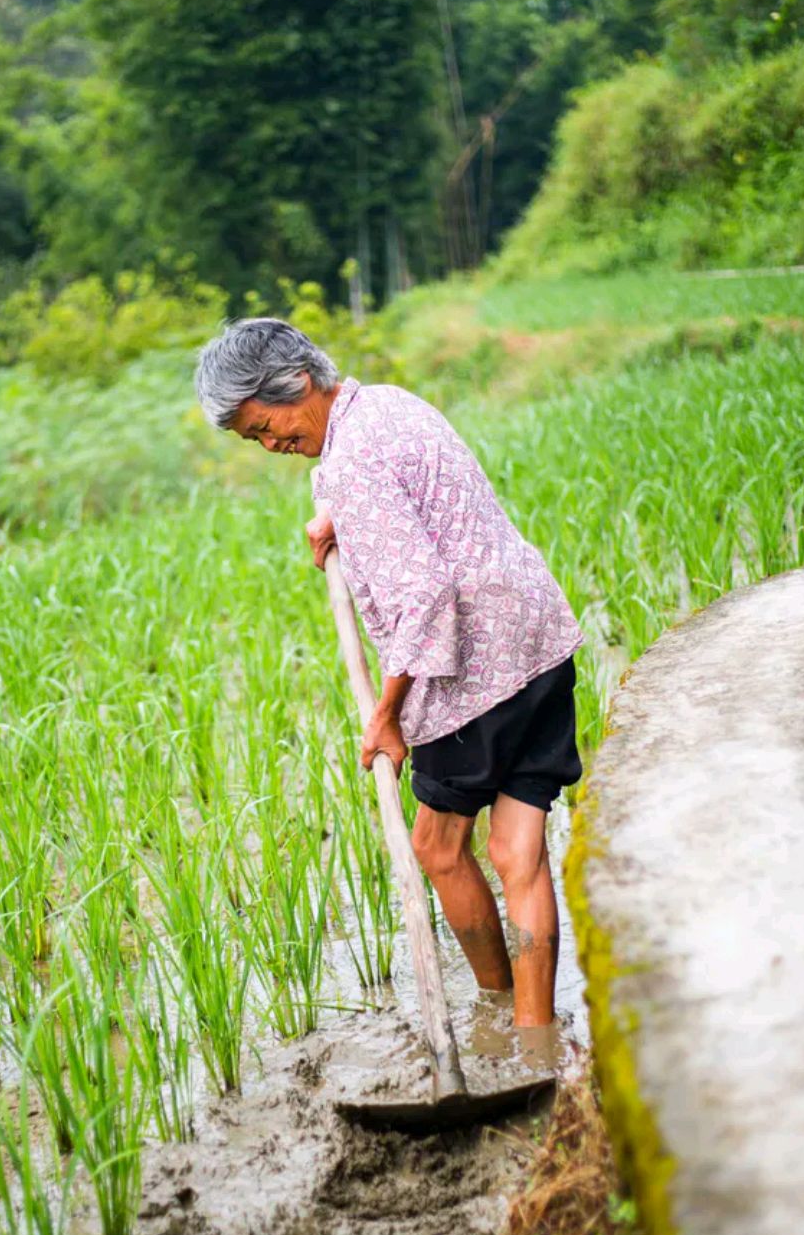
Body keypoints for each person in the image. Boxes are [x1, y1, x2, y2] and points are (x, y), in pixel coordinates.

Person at [195, 317, 584, 1027]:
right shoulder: (390, 404)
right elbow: (422, 506)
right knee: (516, 850)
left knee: (438, 847)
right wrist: (339, 515)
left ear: (298, 382)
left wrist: (388, 715)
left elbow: (426, 597)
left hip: (478, 677)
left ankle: (497, 1011)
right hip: (539, 641)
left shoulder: (349, 462)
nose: (271, 443)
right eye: (254, 439)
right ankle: (535, 1038)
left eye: (265, 425)